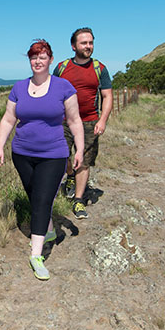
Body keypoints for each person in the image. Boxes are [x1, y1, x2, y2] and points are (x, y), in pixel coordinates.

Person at [0, 39, 84, 281]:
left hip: (53, 154)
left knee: (43, 200)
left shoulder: (63, 87)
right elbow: (7, 119)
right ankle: (50, 230)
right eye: (34, 57)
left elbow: (75, 121)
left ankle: (36, 255)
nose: (37, 61)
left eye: (42, 57)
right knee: (36, 198)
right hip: (22, 153)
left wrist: (79, 150)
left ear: (51, 60)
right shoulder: (19, 87)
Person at [53, 27, 112, 219]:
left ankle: (78, 200)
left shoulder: (100, 69)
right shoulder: (61, 68)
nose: (88, 46)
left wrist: (102, 120)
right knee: (60, 156)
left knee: (85, 162)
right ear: (73, 46)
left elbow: (107, 96)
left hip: (89, 122)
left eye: (90, 43)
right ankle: (70, 175)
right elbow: (52, 93)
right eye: (84, 43)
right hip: (63, 120)